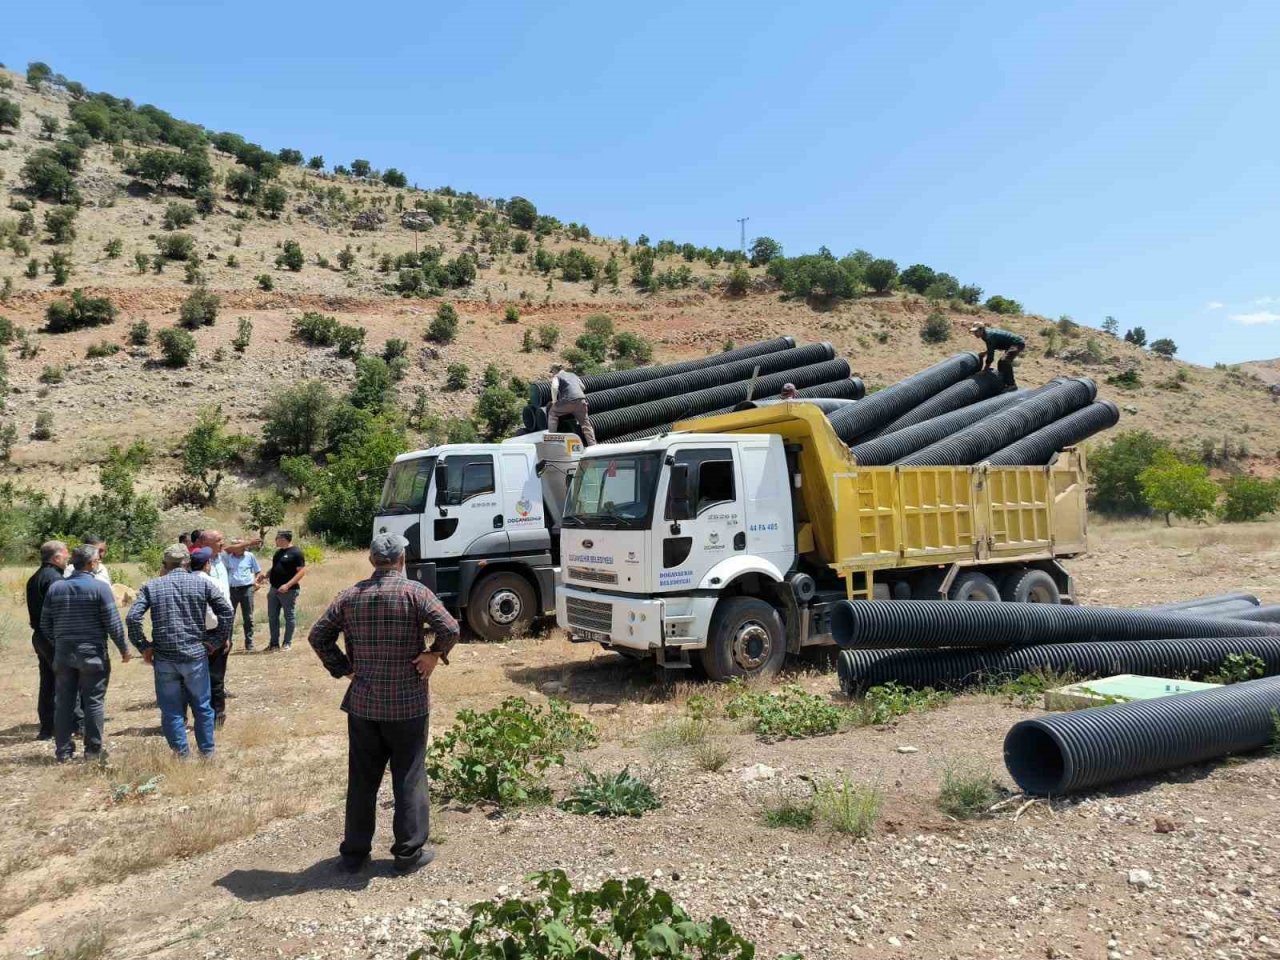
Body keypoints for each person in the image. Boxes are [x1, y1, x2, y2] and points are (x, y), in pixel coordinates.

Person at [308, 533, 460, 874]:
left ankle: (354, 854)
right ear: (402, 559)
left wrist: (345, 669)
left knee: (362, 779)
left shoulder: (349, 596)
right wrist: (433, 655)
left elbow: (318, 635)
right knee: (408, 775)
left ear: (371, 559)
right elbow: (450, 627)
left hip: (364, 704)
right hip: (408, 703)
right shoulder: (415, 592)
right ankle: (407, 855)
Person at [127, 544, 233, 758]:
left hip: (165, 656)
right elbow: (227, 612)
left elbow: (132, 617)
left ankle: (181, 755)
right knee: (202, 706)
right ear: (186, 562)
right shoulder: (202, 583)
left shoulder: (152, 586)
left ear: (164, 565)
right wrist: (214, 641)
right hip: (195, 654)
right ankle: (207, 753)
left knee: (171, 709)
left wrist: (144, 646)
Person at [41, 543, 131, 762]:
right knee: (93, 701)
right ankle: (93, 751)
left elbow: (45, 623)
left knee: (64, 702)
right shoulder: (100, 588)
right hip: (92, 653)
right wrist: (124, 649)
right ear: (91, 564)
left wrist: (60, 640)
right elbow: (113, 623)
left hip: (63, 654)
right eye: (97, 561)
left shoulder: (56, 588)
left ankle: (63, 751)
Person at [26, 540, 69, 740]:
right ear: (56, 557)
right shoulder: (55, 579)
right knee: (66, 681)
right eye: (65, 554)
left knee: (47, 682)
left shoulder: (34, 578)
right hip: (54, 636)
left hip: (39, 637)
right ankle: (68, 726)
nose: (68, 558)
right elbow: (60, 611)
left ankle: (46, 728)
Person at [258, 530, 307, 650]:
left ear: (284, 539)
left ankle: (287, 643)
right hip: (274, 589)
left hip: (288, 591)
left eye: (277, 538)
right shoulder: (278, 552)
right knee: (272, 616)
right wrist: (266, 575)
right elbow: (276, 567)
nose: (275, 540)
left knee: (288, 616)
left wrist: (287, 585)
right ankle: (274, 644)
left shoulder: (296, 552)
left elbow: (301, 571)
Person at [224, 538, 262, 652]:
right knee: (229, 616)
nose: (241, 548)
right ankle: (228, 643)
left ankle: (249, 643)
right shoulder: (226, 557)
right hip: (232, 590)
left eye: (241, 545)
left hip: (247, 589)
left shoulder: (250, 556)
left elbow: (258, 571)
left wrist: (256, 581)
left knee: (248, 617)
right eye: (237, 546)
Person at [546, 365, 596, 447]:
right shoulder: (573, 375)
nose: (552, 374)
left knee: (552, 413)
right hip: (581, 400)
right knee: (585, 424)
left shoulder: (557, 376)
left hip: (567, 401)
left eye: (552, 371)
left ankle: (552, 440)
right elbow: (583, 387)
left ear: (555, 370)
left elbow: (554, 387)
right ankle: (593, 445)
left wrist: (554, 401)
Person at [971, 323, 1026, 389]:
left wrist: (985, 370)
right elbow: (994, 345)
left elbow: (990, 356)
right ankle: (1003, 383)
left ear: (982, 330)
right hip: (1009, 344)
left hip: (1017, 343)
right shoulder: (984, 335)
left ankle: (1012, 385)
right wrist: (985, 352)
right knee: (1000, 363)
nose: (975, 334)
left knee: (1004, 361)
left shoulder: (988, 336)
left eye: (976, 331)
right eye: (973, 332)